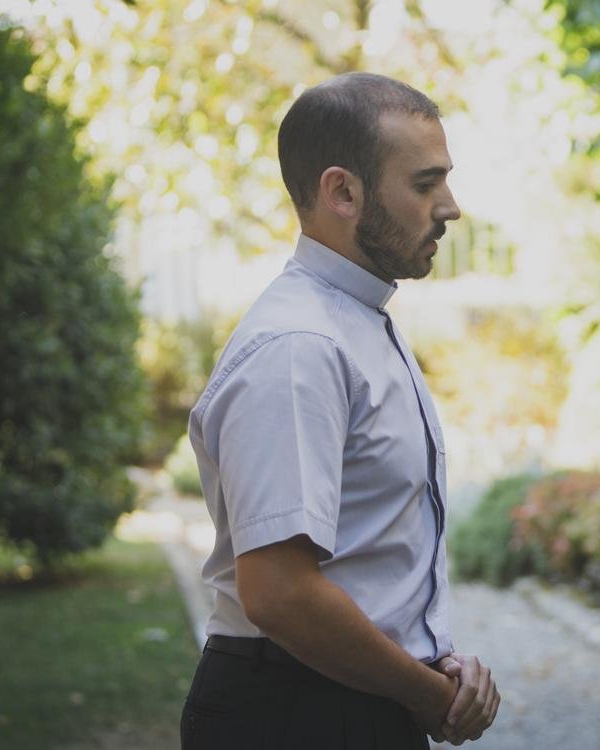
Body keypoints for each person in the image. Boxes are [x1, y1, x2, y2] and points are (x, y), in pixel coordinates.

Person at [180, 73, 499, 749]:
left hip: (348, 696)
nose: (450, 207)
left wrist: (432, 662)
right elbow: (280, 593)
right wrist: (429, 695)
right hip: (297, 714)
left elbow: (366, 556)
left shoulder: (353, 319)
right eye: (425, 184)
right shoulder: (299, 346)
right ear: (343, 192)